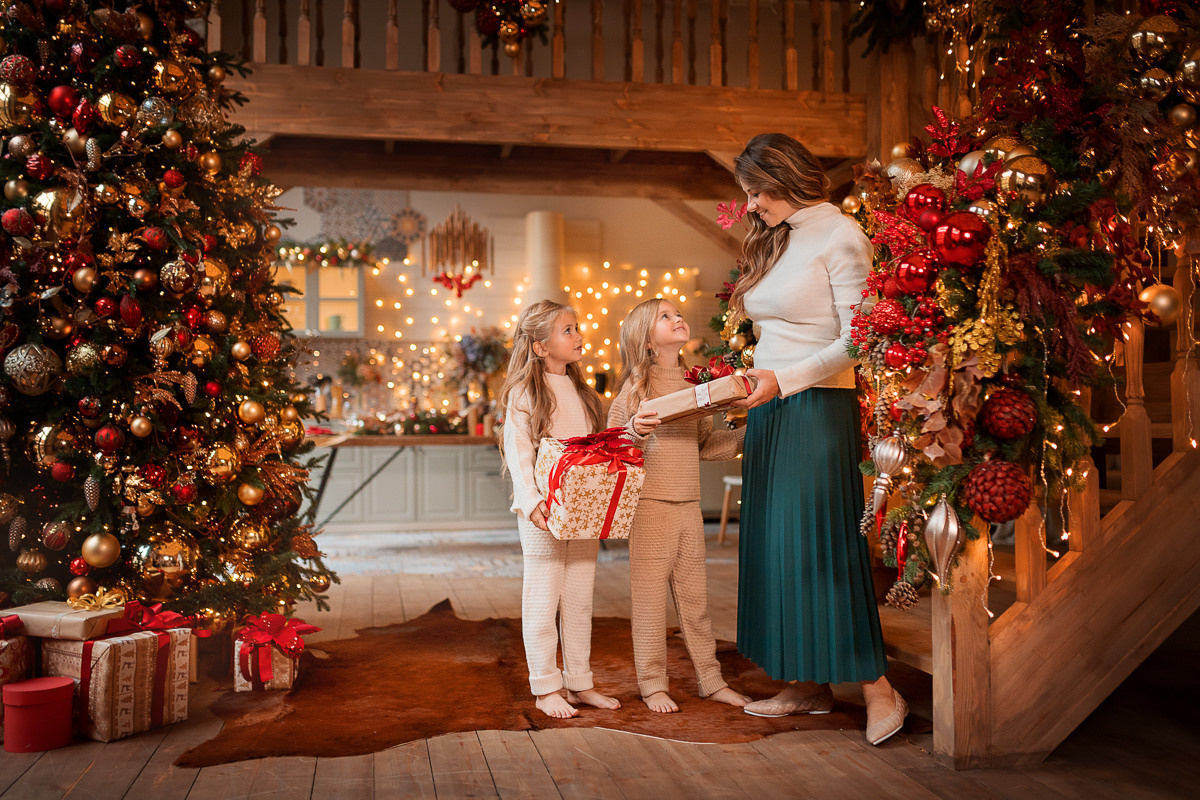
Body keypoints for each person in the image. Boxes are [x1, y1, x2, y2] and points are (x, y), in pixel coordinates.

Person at [729, 133, 906, 745]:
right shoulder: (781, 237)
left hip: (818, 408)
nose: (751, 206)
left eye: (757, 192)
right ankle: (806, 684)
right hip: (772, 407)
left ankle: (878, 687)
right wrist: (759, 378)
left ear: (786, 179)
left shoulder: (841, 236)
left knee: (822, 547)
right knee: (776, 547)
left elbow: (861, 340)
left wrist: (787, 380)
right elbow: (778, 328)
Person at [607, 297, 751, 714]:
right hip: (649, 507)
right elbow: (614, 446)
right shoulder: (634, 390)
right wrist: (634, 429)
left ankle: (711, 679)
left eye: (677, 313)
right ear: (646, 339)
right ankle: (652, 685)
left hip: (689, 505)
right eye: (664, 317)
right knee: (650, 602)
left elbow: (705, 444)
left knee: (696, 601)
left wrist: (748, 435)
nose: (677, 318)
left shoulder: (695, 388)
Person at [497, 299, 622, 719]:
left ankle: (580, 681)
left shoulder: (584, 393)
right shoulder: (524, 392)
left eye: (576, 327)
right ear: (540, 346)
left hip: (581, 510)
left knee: (579, 597)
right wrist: (533, 505)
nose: (578, 335)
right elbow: (519, 453)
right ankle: (546, 686)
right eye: (567, 330)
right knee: (542, 596)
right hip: (542, 513)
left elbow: (592, 452)